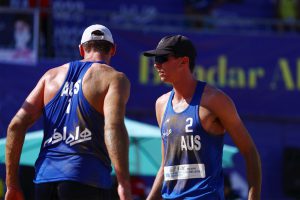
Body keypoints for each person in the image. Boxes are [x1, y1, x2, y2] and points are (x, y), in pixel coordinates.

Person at [5, 24, 132, 200]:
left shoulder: (50, 76)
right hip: (87, 178)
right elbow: (113, 127)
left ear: (81, 49)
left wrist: (11, 184)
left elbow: (15, 125)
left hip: (45, 180)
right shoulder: (114, 78)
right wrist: (123, 182)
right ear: (113, 49)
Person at [142, 35, 261, 199]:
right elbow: (166, 165)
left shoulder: (215, 100)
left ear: (183, 61)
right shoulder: (161, 104)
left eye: (162, 58)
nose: (156, 64)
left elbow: (250, 152)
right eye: (155, 59)